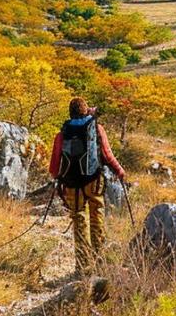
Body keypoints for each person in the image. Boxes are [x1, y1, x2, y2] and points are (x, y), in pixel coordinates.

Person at [49, 96, 126, 275]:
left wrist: (59, 178)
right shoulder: (97, 129)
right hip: (93, 181)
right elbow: (107, 155)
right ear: (85, 111)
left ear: (70, 112)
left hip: (71, 185)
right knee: (96, 218)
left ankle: (82, 266)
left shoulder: (62, 134)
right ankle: (99, 263)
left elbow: (54, 167)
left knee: (78, 220)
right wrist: (120, 171)